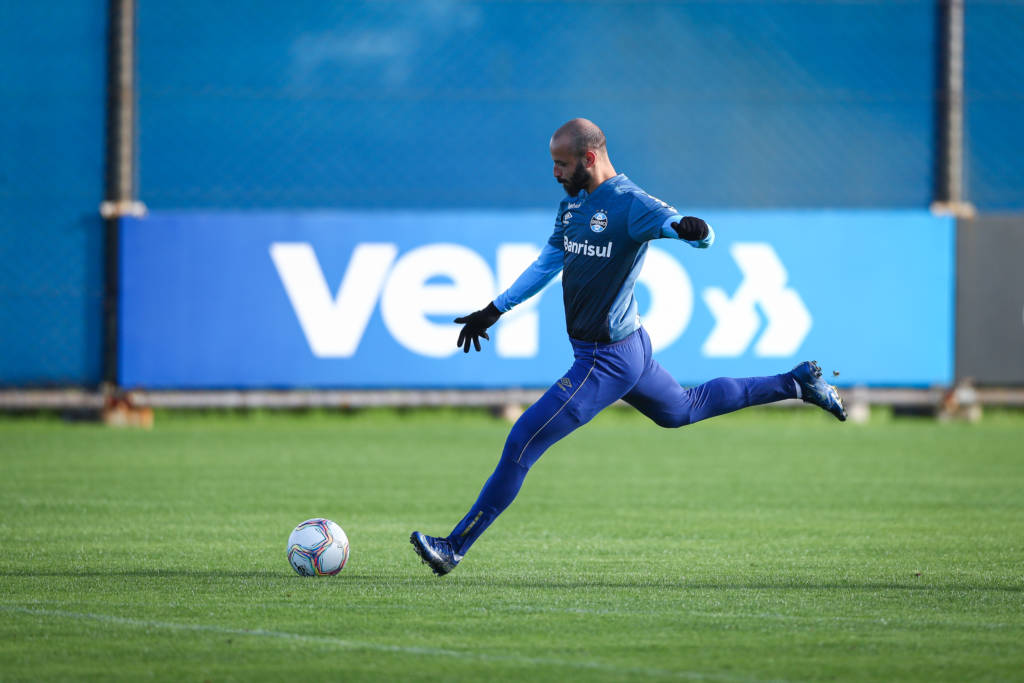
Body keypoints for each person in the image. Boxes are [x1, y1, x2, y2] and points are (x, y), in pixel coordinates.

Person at [410, 118, 845, 576]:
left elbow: (685, 228)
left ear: (589, 158)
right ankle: (796, 383)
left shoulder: (631, 203)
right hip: (626, 348)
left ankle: (453, 546)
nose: (555, 173)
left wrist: (694, 231)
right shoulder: (572, 207)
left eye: (561, 164)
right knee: (682, 409)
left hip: (605, 360)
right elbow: (546, 265)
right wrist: (494, 309)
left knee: (522, 441)